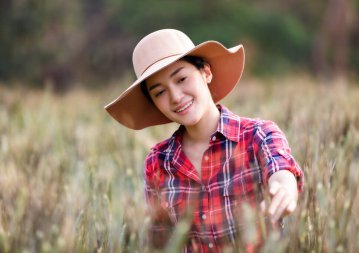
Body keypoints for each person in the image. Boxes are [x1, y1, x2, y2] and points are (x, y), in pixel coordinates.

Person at [105, 29, 304, 252]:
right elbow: (161, 242)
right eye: (160, 92)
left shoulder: (258, 134)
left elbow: (281, 170)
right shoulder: (158, 162)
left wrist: (283, 188)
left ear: (206, 72)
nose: (176, 97)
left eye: (181, 79)